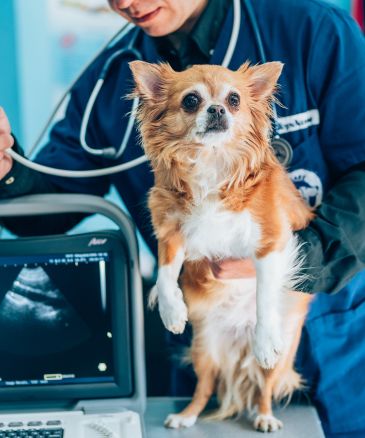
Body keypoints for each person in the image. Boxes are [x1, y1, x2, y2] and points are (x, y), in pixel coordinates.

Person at [0, 0, 365, 436]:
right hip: (204, 329)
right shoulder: (110, 80)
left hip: (330, 326)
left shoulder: (313, 32)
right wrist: (6, 170)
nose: (126, 4)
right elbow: (47, 212)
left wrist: (298, 255)